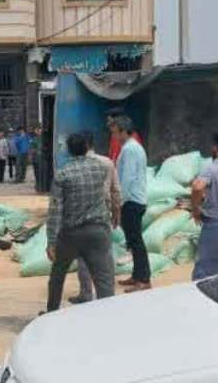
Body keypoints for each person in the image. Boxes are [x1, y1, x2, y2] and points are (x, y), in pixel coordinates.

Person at [45, 133, 115, 312]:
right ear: (87, 148)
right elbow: (109, 194)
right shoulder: (101, 168)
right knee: (104, 279)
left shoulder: (63, 175)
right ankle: (109, 315)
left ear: (69, 151)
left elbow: (55, 210)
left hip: (70, 234)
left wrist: (51, 240)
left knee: (58, 274)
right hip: (98, 231)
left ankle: (52, 311)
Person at [70, 131, 122, 304]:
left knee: (83, 258)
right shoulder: (107, 162)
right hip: (102, 215)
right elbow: (115, 190)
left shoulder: (73, 166)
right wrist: (116, 213)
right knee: (105, 256)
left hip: (80, 218)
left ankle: (85, 293)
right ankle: (107, 297)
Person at [114, 115, 151, 292]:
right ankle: (137, 275)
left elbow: (127, 179)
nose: (114, 136)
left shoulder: (129, 149)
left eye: (115, 132)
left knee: (135, 242)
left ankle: (143, 279)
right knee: (133, 240)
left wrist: (120, 203)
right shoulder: (133, 147)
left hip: (131, 201)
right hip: (135, 199)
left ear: (123, 131)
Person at [191, 131, 218, 280]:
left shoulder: (212, 168)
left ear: (215, 148)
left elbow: (197, 187)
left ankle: (200, 303)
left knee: (206, 275)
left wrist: (196, 210)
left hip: (215, 227)